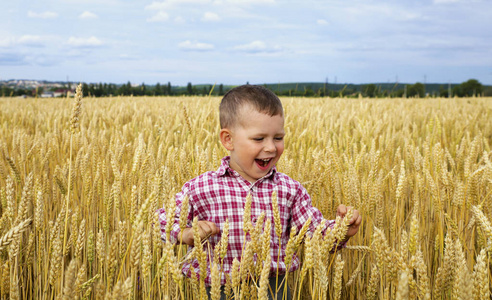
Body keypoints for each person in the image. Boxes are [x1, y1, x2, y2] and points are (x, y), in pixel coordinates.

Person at [159, 85, 362, 299]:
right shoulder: (202, 188)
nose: (271, 148)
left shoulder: (289, 190)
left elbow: (315, 232)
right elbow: (160, 222)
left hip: (275, 289)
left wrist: (340, 230)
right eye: (259, 139)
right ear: (228, 139)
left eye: (278, 138)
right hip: (218, 290)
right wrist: (187, 234)